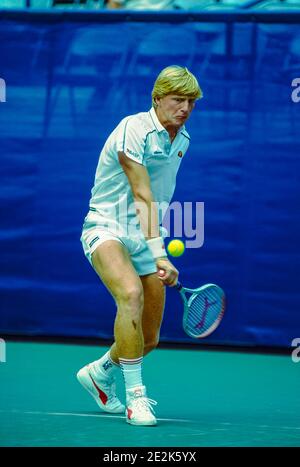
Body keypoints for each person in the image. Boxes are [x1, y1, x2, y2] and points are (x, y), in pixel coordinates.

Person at [77, 65, 202, 426]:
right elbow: (142, 193)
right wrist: (159, 251)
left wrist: (153, 245)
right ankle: (136, 399)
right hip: (106, 227)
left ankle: (99, 372)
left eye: (191, 101)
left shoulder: (183, 140)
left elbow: (160, 199)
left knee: (148, 339)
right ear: (157, 98)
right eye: (178, 99)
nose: (185, 108)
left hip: (146, 234)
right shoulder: (133, 129)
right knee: (130, 294)